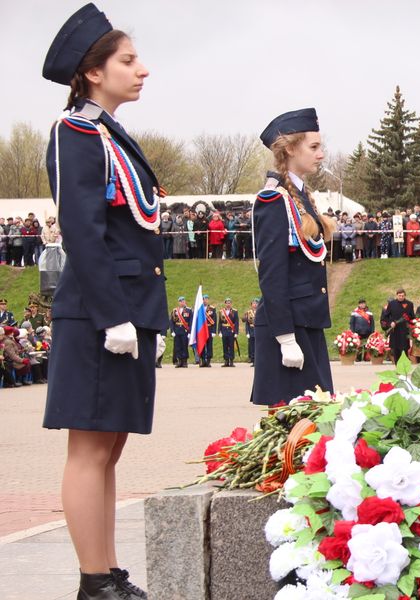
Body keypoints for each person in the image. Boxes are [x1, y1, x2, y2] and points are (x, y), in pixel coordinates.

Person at [41, 5, 167, 597]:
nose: (142, 70)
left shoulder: (111, 134)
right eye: (128, 60)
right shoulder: (76, 132)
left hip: (127, 310)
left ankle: (108, 571)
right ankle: (94, 581)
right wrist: (114, 315)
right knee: (90, 449)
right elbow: (83, 231)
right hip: (99, 314)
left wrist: (144, 318)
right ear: (94, 72)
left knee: (109, 448)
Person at [251, 107, 336, 405]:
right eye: (313, 147)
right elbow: (272, 274)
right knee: (294, 424)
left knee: (316, 419)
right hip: (289, 329)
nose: (321, 154)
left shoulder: (300, 196)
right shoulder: (274, 199)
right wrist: (285, 337)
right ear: (289, 149)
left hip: (306, 324)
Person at [384, 288, 415, 363]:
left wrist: (411, 326)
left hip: (405, 330)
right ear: (396, 295)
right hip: (395, 330)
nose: (401, 297)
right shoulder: (392, 304)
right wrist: (390, 323)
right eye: (399, 295)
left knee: (404, 349)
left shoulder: (409, 304)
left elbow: (412, 317)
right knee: (395, 349)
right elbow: (386, 316)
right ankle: (397, 365)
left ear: (405, 296)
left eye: (402, 296)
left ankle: (404, 365)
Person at [170, 296, 192, 368]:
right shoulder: (175, 311)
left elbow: (190, 322)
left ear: (185, 302)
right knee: (178, 347)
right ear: (178, 302)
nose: (182, 303)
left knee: (184, 346)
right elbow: (172, 322)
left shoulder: (189, 310)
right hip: (177, 331)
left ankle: (185, 361)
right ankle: (179, 361)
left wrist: (190, 332)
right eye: (180, 301)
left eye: (183, 301)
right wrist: (172, 331)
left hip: (185, 331)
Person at [218, 298, 239, 367]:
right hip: (224, 331)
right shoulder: (221, 311)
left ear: (231, 304)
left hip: (231, 331)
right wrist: (219, 331)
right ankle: (226, 361)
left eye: (229, 303)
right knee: (225, 346)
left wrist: (236, 332)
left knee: (231, 346)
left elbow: (236, 323)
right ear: (225, 304)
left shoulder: (235, 311)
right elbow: (220, 322)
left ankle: (231, 361)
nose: (228, 304)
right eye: (227, 303)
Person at [200, 295, 217, 367]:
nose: (205, 301)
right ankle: (203, 360)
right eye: (204, 299)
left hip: (209, 329)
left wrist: (214, 331)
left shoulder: (212, 309)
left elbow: (214, 320)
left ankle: (208, 361)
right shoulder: (199, 308)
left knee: (209, 345)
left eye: (207, 299)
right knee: (202, 345)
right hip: (202, 329)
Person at [242, 299, 257, 365]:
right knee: (251, 346)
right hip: (251, 331)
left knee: (258, 346)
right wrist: (247, 332)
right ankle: (252, 359)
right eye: (253, 303)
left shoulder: (260, 311)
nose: (255, 305)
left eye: (256, 303)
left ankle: (257, 360)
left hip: (258, 331)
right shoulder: (248, 312)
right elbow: (246, 323)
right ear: (251, 305)